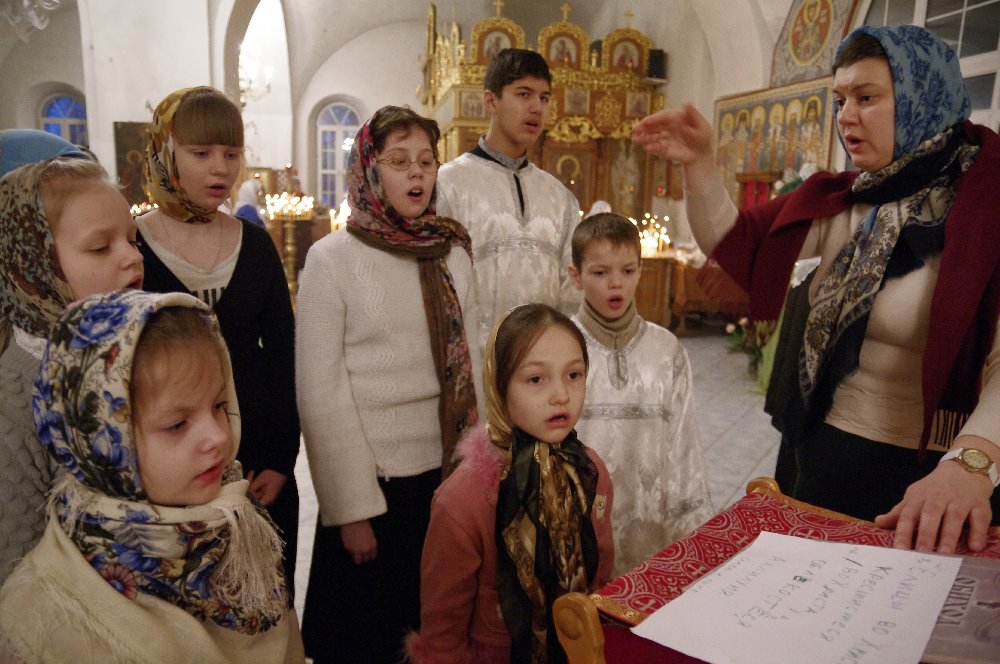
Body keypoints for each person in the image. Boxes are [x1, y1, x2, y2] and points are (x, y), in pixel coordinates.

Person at [632, 24, 1000, 554]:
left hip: (929, 473)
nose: (845, 116)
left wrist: (971, 463)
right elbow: (739, 246)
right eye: (840, 99)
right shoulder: (844, 199)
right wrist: (700, 164)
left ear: (923, 97)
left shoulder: (986, 208)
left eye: (866, 97)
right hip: (818, 444)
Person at [0, 290, 303, 663]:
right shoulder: (44, 620)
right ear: (101, 443)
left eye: (219, 405)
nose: (219, 436)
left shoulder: (244, 530)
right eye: (177, 424)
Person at [295, 105, 481, 663]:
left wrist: (477, 474)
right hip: (373, 488)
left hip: (444, 479)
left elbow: (473, 365)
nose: (416, 173)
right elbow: (320, 394)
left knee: (435, 631)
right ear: (369, 170)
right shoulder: (331, 260)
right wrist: (351, 508)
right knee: (368, 643)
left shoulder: (452, 251)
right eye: (399, 161)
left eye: (426, 160)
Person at [136, 86, 300, 595]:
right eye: (201, 153)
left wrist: (281, 459)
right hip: (170, 470)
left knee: (264, 598)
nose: (220, 169)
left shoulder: (255, 244)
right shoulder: (132, 243)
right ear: (167, 154)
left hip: (257, 460)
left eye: (231, 154)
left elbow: (284, 357)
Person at [407, 303, 614, 664]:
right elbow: (443, 635)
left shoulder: (589, 472)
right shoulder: (463, 503)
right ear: (499, 385)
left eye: (573, 374)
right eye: (535, 379)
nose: (561, 395)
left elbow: (601, 578)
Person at [0, 151, 143, 585]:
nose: (132, 257)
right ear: (34, 267)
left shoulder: (135, 349)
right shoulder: (14, 394)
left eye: (133, 240)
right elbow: (17, 570)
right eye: (101, 247)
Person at [568, 213, 713, 576]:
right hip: (579, 526)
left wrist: (692, 534)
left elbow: (684, 448)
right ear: (575, 276)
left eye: (628, 271)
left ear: (640, 271)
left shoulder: (667, 351)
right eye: (600, 273)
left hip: (650, 532)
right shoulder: (560, 347)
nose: (616, 283)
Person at [435, 48, 581, 350]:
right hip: (474, 361)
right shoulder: (448, 184)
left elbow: (571, 288)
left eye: (544, 98)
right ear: (491, 101)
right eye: (523, 94)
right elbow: (437, 284)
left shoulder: (560, 197)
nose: (537, 108)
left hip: (543, 360)